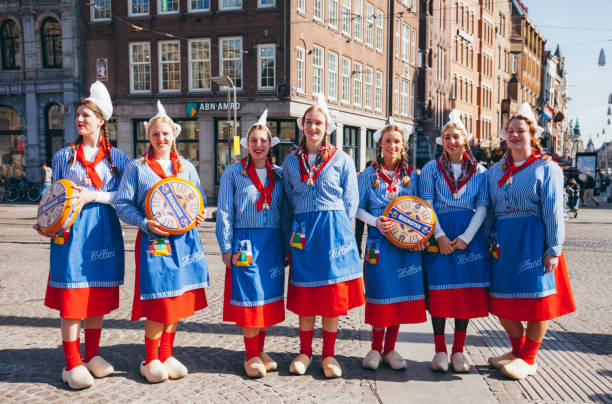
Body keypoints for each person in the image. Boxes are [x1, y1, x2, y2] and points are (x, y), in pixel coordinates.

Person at [34, 81, 129, 389]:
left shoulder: (119, 159)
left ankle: (92, 355)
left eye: (87, 115)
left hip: (104, 231)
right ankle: (72, 363)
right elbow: (53, 194)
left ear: (102, 120)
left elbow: (124, 199)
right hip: (72, 232)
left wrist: (94, 197)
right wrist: (45, 219)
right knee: (74, 298)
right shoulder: (64, 156)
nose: (80, 119)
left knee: (97, 297)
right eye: (78, 114)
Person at [115, 101, 209, 384]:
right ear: (149, 136)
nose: (161, 139)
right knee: (160, 300)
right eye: (156, 134)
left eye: (165, 134)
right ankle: (150, 358)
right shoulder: (137, 168)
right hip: (155, 243)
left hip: (184, 241)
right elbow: (122, 204)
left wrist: (199, 214)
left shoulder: (187, 167)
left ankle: (166, 354)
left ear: (174, 135)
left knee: (177, 299)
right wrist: (145, 223)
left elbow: (197, 199)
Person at [487, 102, 575, 380]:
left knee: (538, 302)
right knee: (501, 301)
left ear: (531, 134)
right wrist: (489, 239)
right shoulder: (495, 171)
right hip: (504, 241)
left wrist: (553, 248)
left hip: (534, 240)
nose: (514, 135)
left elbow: (553, 211)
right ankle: (517, 349)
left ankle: (529, 356)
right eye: (510, 130)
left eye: (520, 131)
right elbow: (489, 209)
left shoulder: (547, 169)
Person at [282, 94, 364, 378]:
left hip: (333, 232)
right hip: (304, 231)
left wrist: (343, 234)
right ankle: (305, 352)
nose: (313, 127)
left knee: (330, 298)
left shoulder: (342, 159)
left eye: (318, 123)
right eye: (309, 122)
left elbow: (351, 201)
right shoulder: (291, 162)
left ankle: (329, 355)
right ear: (302, 125)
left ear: (327, 127)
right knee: (307, 295)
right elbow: (289, 199)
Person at [216, 110, 287, 378]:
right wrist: (225, 247)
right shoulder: (234, 173)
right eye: (254, 140)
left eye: (263, 141)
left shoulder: (279, 175)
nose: (258, 145)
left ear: (270, 145)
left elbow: (286, 211)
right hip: (245, 241)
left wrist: (288, 245)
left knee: (266, 298)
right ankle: (250, 355)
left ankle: (260, 348)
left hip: (272, 242)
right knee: (250, 298)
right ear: (247, 143)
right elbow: (224, 212)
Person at [419, 109, 490, 373]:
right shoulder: (430, 169)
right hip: (440, 233)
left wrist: (466, 238)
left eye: (456, 137)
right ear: (441, 141)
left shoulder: (481, 172)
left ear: (465, 140)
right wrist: (439, 235)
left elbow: (482, 207)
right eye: (447, 137)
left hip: (468, 237)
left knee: (463, 294)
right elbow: (427, 204)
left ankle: (458, 351)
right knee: (440, 292)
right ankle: (439, 350)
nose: (452, 141)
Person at [357, 118, 427, 371]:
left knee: (398, 296)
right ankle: (375, 348)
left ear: (403, 145)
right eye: (388, 141)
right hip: (379, 244)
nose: (392, 146)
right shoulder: (368, 174)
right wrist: (375, 221)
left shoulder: (411, 177)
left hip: (404, 246)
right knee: (380, 295)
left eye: (397, 142)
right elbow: (355, 207)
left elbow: (421, 210)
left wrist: (420, 238)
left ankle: (390, 348)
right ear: (380, 145)